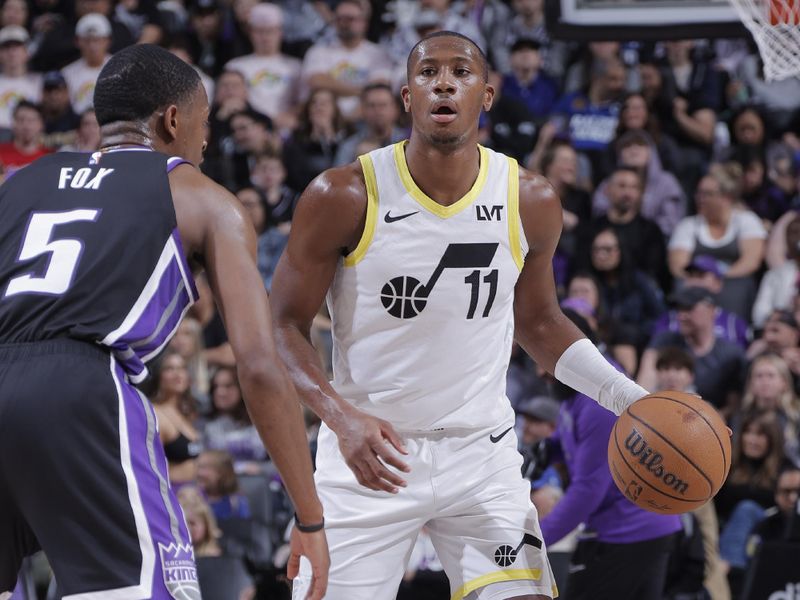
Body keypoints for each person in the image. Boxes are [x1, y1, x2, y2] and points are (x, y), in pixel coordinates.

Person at [271, 31, 649, 600]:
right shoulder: (342, 194)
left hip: (481, 454)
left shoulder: (530, 198)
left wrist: (631, 401)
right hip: (369, 456)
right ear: (407, 97)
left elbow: (541, 323)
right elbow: (281, 325)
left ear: (487, 96)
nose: (444, 82)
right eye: (428, 73)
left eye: (461, 72)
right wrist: (339, 418)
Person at [0, 44, 328, 599]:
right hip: (79, 390)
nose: (206, 140)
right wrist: (310, 517)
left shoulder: (20, 184)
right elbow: (258, 364)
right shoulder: (204, 198)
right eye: (204, 123)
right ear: (172, 120)